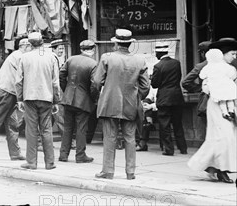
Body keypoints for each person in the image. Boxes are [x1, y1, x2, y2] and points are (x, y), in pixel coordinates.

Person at [93, 29, 150, 180]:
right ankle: (130, 172)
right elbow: (145, 87)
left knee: (109, 137)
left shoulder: (107, 57)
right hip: (130, 102)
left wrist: (101, 93)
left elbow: (97, 81)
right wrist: (137, 96)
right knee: (130, 138)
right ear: (130, 44)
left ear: (116, 43)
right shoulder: (140, 60)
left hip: (110, 102)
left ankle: (108, 171)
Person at [188, 37, 237, 184]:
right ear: (223, 54)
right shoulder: (212, 67)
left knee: (223, 138)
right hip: (216, 105)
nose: (234, 57)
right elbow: (205, 85)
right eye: (232, 54)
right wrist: (208, 89)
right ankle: (221, 170)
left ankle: (210, 165)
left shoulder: (230, 69)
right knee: (223, 137)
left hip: (230, 105)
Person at [16, 32, 61, 171]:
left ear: (30, 44)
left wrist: (19, 99)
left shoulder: (24, 58)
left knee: (31, 130)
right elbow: (55, 82)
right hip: (46, 97)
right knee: (46, 130)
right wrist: (56, 100)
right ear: (43, 42)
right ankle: (50, 162)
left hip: (29, 97)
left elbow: (18, 81)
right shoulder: (51, 57)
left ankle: (31, 162)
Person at [58, 39, 98, 164]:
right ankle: (80, 155)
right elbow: (95, 84)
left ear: (81, 49)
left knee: (68, 128)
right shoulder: (93, 64)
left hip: (69, 98)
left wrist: (67, 90)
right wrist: (93, 98)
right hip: (83, 100)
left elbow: (61, 76)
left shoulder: (71, 59)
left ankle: (63, 154)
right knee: (81, 128)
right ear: (93, 50)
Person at [151, 42, 188, 155]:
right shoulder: (176, 63)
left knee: (164, 124)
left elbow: (155, 84)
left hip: (164, 98)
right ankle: (183, 148)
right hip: (177, 96)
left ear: (158, 53)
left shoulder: (158, 66)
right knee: (177, 124)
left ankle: (169, 149)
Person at [199, 48, 236, 120]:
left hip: (216, 87)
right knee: (230, 99)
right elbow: (232, 74)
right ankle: (231, 110)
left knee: (221, 100)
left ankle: (225, 112)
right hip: (227, 85)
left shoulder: (207, 67)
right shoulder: (225, 66)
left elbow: (202, 75)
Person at [182, 41, 212, 121]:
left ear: (203, 52)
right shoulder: (226, 64)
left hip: (207, 102)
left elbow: (185, 82)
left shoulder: (201, 66)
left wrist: (199, 88)